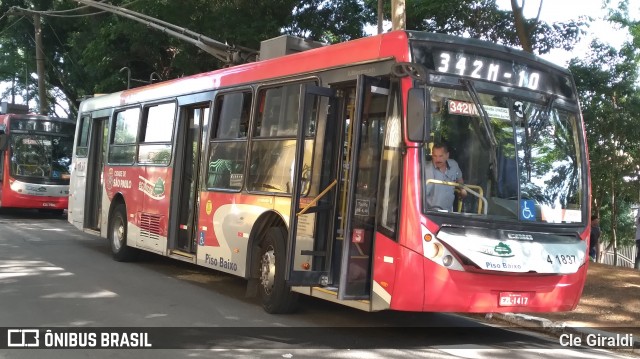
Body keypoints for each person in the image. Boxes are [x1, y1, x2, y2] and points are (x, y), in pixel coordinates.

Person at [424, 142, 466, 211]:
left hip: (448, 213)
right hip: (431, 213)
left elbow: (459, 179)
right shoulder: (426, 169)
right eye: (435, 156)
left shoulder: (454, 165)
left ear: (447, 155)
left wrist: (462, 189)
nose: (437, 159)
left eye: (441, 156)